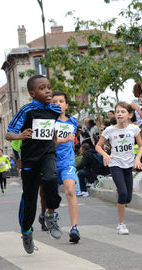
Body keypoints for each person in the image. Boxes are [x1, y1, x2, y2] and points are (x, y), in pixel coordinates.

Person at [6, 74, 62, 254]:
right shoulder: (26, 110)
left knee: (52, 178)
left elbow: (53, 130)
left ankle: (51, 216)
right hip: (30, 158)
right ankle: (27, 231)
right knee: (29, 200)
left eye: (49, 87)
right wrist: (20, 135)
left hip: (47, 154)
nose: (48, 90)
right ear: (32, 92)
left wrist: (54, 142)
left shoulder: (54, 109)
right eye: (42, 88)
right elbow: (9, 134)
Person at [96, 102, 142, 235]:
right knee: (123, 193)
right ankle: (121, 224)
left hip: (129, 165)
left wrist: (137, 158)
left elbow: (141, 146)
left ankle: (121, 196)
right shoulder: (109, 130)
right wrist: (106, 155)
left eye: (123, 111)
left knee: (128, 198)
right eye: (117, 111)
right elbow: (98, 146)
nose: (119, 114)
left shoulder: (134, 129)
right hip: (115, 163)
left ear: (129, 115)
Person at [52, 91, 80, 243]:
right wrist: (64, 140)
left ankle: (74, 227)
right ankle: (50, 218)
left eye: (61, 101)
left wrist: (69, 144)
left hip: (67, 161)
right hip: (51, 161)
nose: (58, 104)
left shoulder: (73, 122)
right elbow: (50, 143)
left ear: (66, 105)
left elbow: (72, 140)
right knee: (51, 195)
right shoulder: (49, 122)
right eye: (55, 102)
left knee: (70, 190)